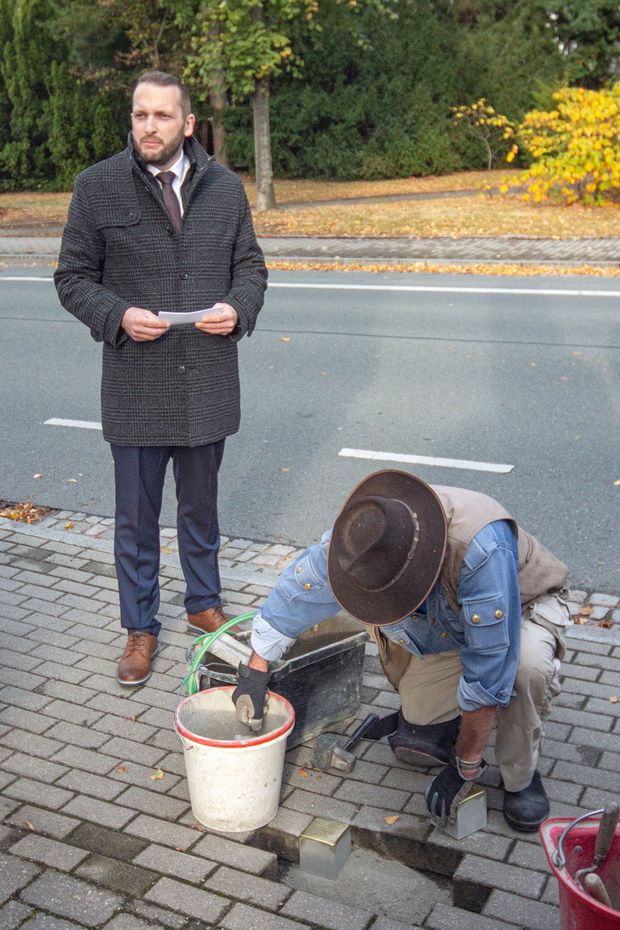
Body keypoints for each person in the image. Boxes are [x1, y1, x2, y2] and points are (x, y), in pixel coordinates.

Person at [55, 70, 267, 687]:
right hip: (135, 384)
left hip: (206, 380)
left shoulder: (224, 188)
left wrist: (239, 308)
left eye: (162, 116)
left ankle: (203, 603)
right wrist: (118, 315)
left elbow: (251, 268)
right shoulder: (96, 186)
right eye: (140, 114)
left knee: (201, 511)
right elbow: (72, 278)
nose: (149, 126)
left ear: (188, 123)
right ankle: (140, 627)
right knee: (136, 521)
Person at [232, 470, 570, 833]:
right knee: (417, 739)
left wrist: (466, 765)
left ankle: (520, 777)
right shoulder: (360, 536)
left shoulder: (480, 546)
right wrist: (256, 668)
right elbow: (298, 591)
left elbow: (491, 662)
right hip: (448, 624)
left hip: (522, 609)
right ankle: (467, 720)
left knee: (525, 668)